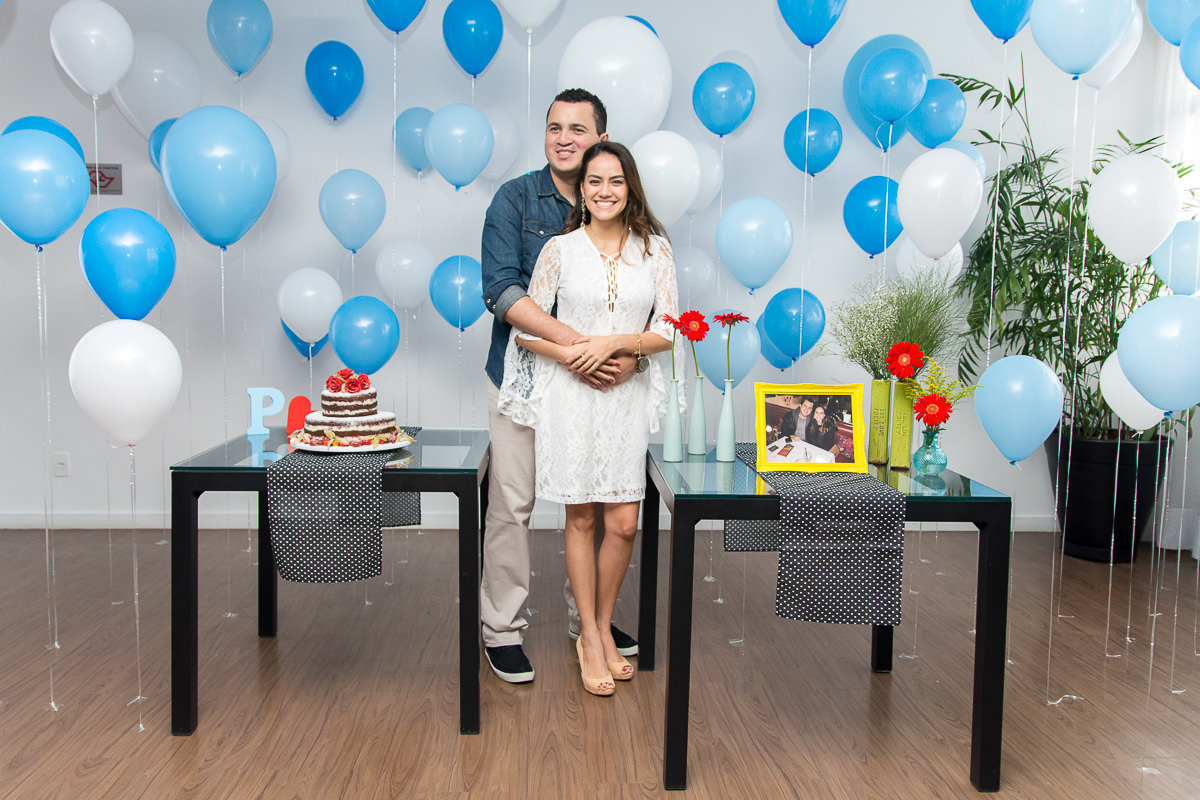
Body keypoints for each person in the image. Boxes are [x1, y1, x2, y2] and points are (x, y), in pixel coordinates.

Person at [498, 141, 678, 695]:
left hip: (624, 398)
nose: (604, 191)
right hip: (571, 397)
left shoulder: (655, 251)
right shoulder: (558, 250)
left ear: (631, 188)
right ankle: (592, 638)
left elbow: (668, 329)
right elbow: (527, 329)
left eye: (616, 181)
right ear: (583, 189)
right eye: (594, 181)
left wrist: (623, 350)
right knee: (580, 519)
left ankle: (599, 620)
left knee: (624, 520)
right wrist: (576, 356)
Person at [479, 89, 640, 684]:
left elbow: (646, 307)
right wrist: (578, 345)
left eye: (577, 127)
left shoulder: (619, 204)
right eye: (553, 127)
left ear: (600, 136)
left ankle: (590, 624)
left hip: (599, 387)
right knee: (512, 505)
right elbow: (500, 290)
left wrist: (626, 360)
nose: (564, 137)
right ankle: (501, 628)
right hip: (523, 380)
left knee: (595, 505)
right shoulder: (514, 198)